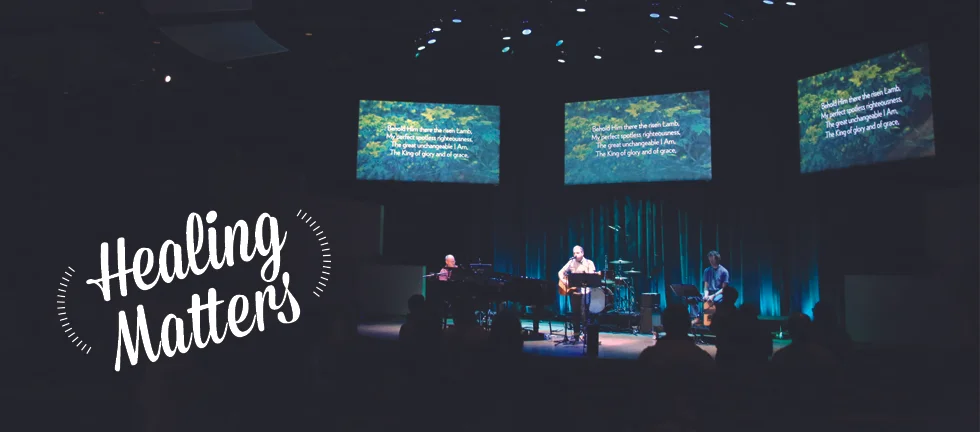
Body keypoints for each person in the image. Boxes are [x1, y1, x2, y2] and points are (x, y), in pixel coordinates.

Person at [558, 245, 598, 339]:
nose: (575, 255)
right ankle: (576, 334)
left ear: (582, 253)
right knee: (575, 313)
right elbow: (560, 272)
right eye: (574, 253)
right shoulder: (571, 262)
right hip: (574, 291)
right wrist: (565, 282)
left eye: (577, 253)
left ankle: (585, 334)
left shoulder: (589, 263)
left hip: (585, 291)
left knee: (584, 313)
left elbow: (591, 277)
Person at [693, 250, 730, 324]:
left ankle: (708, 321)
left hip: (719, 293)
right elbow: (706, 286)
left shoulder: (724, 271)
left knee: (712, 300)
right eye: (710, 260)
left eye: (712, 260)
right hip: (709, 292)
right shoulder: (707, 270)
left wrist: (713, 296)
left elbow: (724, 289)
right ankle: (697, 317)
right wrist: (706, 295)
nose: (711, 262)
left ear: (717, 259)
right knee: (692, 298)